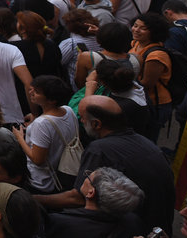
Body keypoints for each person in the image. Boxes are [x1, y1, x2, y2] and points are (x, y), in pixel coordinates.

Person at [34, 95, 174, 234]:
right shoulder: (144, 143)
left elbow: (78, 198)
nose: (81, 121)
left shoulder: (99, 150)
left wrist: (32, 199)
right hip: (157, 225)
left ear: (96, 124)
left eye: (82, 118)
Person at [11, 76, 79, 193]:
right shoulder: (68, 110)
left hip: (42, 182)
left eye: (37, 92)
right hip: (65, 171)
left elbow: (38, 160)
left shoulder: (41, 124)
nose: (31, 92)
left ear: (51, 100)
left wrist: (20, 138)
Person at [44, 167, 144, 238]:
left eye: (88, 176)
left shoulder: (60, 223)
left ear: (91, 192)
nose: (85, 177)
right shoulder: (132, 222)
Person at [131, 12, 174, 135]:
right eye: (135, 25)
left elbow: (147, 84)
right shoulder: (136, 44)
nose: (136, 30)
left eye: (143, 28)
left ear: (154, 32)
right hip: (140, 100)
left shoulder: (156, 55)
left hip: (155, 104)